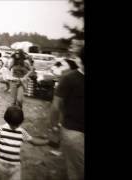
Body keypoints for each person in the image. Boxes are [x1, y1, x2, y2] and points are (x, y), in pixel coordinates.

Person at [0, 106, 48, 180]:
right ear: (7, 120)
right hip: (1, 165)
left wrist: (46, 142)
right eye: (12, 124)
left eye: (17, 125)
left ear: (20, 122)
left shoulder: (21, 132)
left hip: (15, 167)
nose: (14, 127)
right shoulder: (0, 129)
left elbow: (33, 142)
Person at [49, 48, 84, 180]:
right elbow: (56, 106)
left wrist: (53, 127)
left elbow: (56, 105)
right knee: (77, 170)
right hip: (73, 130)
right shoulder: (68, 75)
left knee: (76, 170)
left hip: (71, 130)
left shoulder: (68, 76)